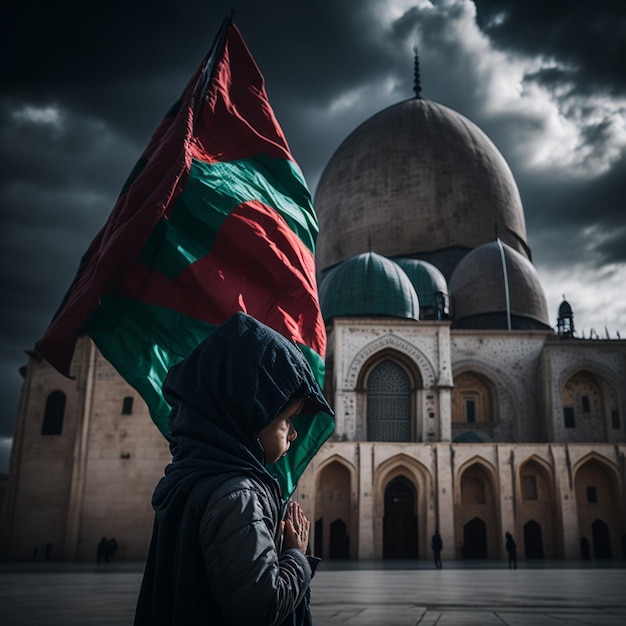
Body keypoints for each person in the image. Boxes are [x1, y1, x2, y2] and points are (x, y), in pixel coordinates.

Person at [134, 312, 334, 626]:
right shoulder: (237, 494)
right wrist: (296, 554)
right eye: (287, 420)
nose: (294, 434)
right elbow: (262, 607)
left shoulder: (195, 475)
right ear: (250, 413)